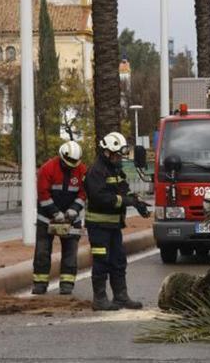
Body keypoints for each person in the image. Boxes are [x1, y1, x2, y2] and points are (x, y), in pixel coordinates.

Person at [84, 131, 151, 311]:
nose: (118, 158)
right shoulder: (96, 171)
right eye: (116, 155)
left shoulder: (115, 169)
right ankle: (100, 299)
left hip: (113, 225)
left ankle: (121, 296)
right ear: (106, 152)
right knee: (101, 261)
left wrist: (136, 202)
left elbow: (124, 189)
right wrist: (125, 201)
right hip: (98, 226)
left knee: (118, 260)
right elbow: (100, 197)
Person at [32, 141, 87, 295]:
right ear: (62, 157)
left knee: (70, 250)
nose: (71, 166)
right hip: (46, 218)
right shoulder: (47, 169)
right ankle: (40, 283)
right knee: (42, 250)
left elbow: (83, 193)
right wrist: (55, 213)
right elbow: (43, 194)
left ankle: (67, 283)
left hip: (71, 218)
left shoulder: (81, 170)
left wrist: (74, 210)